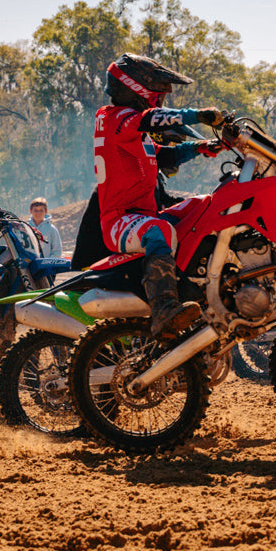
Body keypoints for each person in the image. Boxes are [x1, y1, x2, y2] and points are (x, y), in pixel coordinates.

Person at [93, 52, 227, 339]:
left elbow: (161, 155)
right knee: (159, 229)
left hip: (140, 216)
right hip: (119, 221)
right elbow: (152, 118)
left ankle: (201, 287)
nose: (162, 99)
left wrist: (201, 147)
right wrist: (198, 115)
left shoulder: (130, 127)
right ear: (136, 88)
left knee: (202, 206)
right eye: (159, 93)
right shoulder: (115, 118)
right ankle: (164, 310)